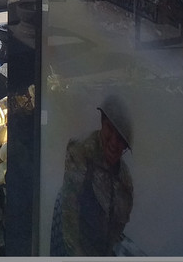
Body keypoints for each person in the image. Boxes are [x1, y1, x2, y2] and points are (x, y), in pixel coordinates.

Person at [50, 95, 134, 256]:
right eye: (110, 129)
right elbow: (70, 211)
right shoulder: (81, 151)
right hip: (70, 239)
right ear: (103, 123)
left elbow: (118, 228)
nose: (114, 143)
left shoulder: (125, 180)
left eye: (121, 139)